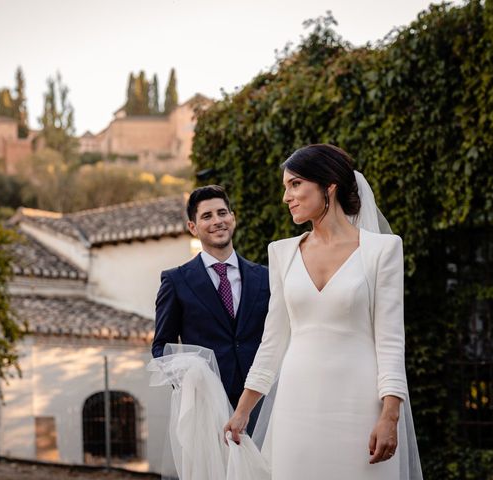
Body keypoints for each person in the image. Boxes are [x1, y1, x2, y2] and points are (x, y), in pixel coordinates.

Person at [224, 144, 422, 479]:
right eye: (286, 187)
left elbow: (390, 340)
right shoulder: (282, 253)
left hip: (358, 402)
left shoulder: (383, 250)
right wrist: (243, 411)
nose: (287, 196)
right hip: (296, 403)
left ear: (329, 185)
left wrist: (390, 416)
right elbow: (273, 341)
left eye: (296, 184)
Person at [152, 185, 270, 431]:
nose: (217, 221)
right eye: (207, 216)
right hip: (207, 408)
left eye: (222, 213)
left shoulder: (265, 277)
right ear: (192, 227)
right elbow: (161, 346)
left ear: (233, 218)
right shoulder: (176, 281)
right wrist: (191, 383)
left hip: (262, 403)